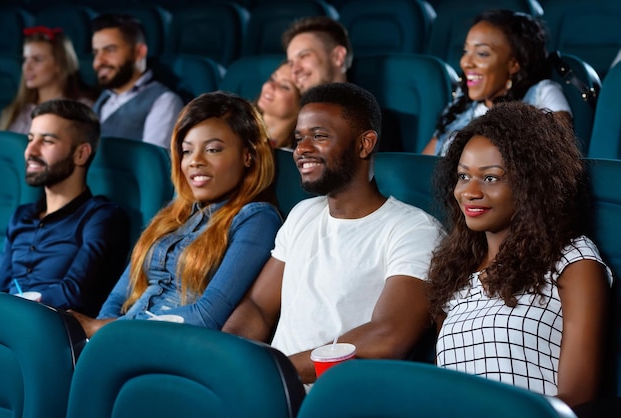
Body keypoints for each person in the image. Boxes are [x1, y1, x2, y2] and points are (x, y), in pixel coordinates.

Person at [222, 82, 443, 385]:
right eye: (299, 138)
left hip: (335, 398)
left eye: (320, 136)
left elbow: (388, 335)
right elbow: (258, 307)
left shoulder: (414, 230)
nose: (302, 149)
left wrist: (276, 372)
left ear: (365, 144)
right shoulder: (303, 213)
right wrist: (230, 361)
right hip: (270, 390)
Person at [427, 101, 612, 408]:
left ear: (533, 186)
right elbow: (443, 389)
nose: (469, 192)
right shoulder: (453, 273)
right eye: (463, 176)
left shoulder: (573, 261)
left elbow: (578, 396)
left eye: (490, 178)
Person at [69, 91, 282, 337]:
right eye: (187, 151)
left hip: (172, 349)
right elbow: (118, 297)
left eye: (212, 150)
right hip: (120, 338)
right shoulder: (173, 213)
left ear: (248, 155)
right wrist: (97, 335)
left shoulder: (257, 219)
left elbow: (207, 316)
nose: (195, 161)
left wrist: (103, 329)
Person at [0, 99, 130, 316]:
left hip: (55, 331)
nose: (30, 150)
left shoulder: (102, 217)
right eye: (30, 139)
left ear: (81, 154)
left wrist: (12, 309)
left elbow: (75, 293)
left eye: (47, 141)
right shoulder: (22, 215)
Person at [422, 9, 572, 156]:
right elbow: (421, 166)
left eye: (482, 53)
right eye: (466, 51)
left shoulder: (543, 92)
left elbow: (560, 155)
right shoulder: (461, 102)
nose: (465, 62)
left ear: (514, 64)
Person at [91, 13, 183, 150]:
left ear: (139, 52)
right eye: (95, 53)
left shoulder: (164, 101)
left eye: (110, 50)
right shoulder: (104, 98)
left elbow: (153, 164)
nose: (98, 62)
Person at [0, 26, 95, 134]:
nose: (27, 67)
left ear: (59, 64)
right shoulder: (17, 110)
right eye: (25, 59)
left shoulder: (83, 110)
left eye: (37, 59)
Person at [282, 16, 353, 94]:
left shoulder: (365, 105)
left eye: (304, 56)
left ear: (338, 56)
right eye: (291, 64)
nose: (295, 70)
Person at [256, 61, 301, 149]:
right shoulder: (235, 127)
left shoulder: (297, 155)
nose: (270, 85)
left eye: (284, 86)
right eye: (272, 79)